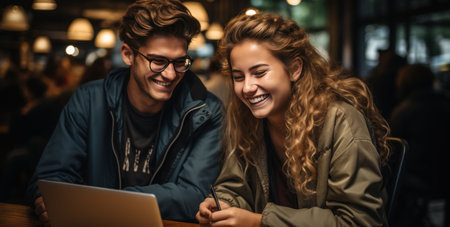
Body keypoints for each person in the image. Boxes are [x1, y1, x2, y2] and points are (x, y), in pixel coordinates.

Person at [27, 0, 223, 225]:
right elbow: (50, 177)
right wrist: (46, 201)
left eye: (180, 62)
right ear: (128, 55)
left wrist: (104, 204)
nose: (170, 74)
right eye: (158, 61)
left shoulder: (206, 111)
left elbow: (194, 195)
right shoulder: (89, 100)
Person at [196, 12, 390, 226]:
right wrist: (223, 203)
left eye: (259, 73)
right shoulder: (247, 118)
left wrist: (259, 222)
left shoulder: (341, 120)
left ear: (295, 69)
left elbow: (360, 221)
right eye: (238, 77)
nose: (247, 88)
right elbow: (234, 185)